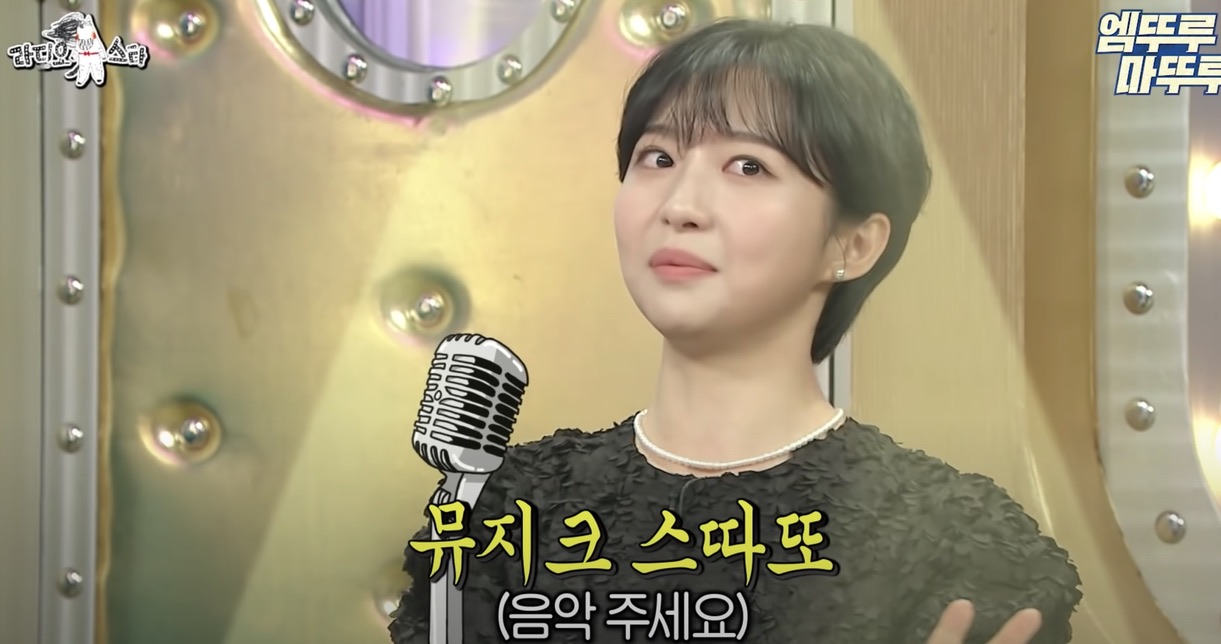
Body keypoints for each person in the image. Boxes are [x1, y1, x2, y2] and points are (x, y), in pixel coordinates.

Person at [389, 18, 1083, 644]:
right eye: (658, 158)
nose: (680, 205)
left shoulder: (954, 544)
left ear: (852, 244)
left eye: (748, 166)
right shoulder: (506, 508)